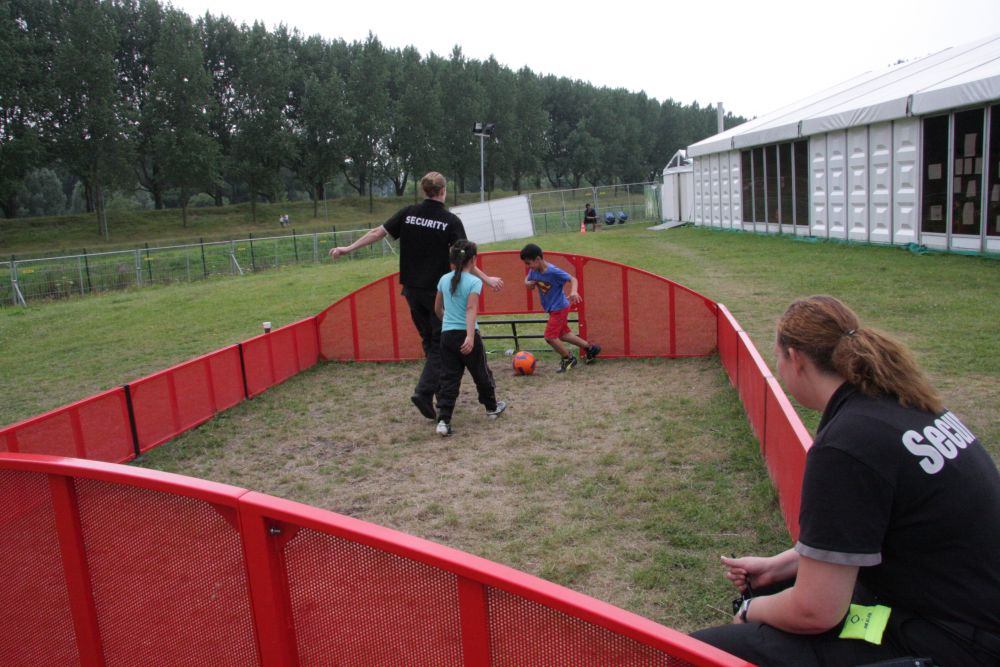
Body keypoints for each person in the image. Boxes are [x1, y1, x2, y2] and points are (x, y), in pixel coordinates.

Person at [692, 295, 1000, 667]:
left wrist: (750, 610)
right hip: (966, 613)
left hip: (956, 643)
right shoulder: (903, 403)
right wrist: (779, 566)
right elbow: (871, 529)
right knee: (777, 585)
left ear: (796, 359)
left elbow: (815, 612)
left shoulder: (846, 445)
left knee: (704, 652)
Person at [329, 172, 503, 420]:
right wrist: (487, 279)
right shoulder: (449, 220)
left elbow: (378, 233)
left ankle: (438, 393)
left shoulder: (408, 213)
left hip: (411, 291)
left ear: (424, 191)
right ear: (442, 190)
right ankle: (424, 392)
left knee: (429, 341)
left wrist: (348, 248)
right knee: (439, 345)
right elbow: (464, 256)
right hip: (437, 292)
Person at [433, 240, 507, 436]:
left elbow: (437, 309)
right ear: (473, 260)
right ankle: (492, 408)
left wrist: (447, 322)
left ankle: (443, 420)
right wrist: (470, 336)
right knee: (481, 373)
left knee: (449, 378)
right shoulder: (475, 282)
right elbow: (471, 309)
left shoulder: (442, 279)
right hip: (467, 335)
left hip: (447, 336)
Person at [519, 243, 601, 372]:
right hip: (553, 308)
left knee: (550, 337)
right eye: (526, 264)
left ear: (538, 259)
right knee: (563, 334)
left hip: (559, 308)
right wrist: (527, 283)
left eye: (529, 263)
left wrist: (574, 291)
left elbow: (573, 279)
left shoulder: (552, 271)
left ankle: (568, 358)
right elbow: (528, 280)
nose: (528, 267)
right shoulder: (533, 270)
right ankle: (591, 348)